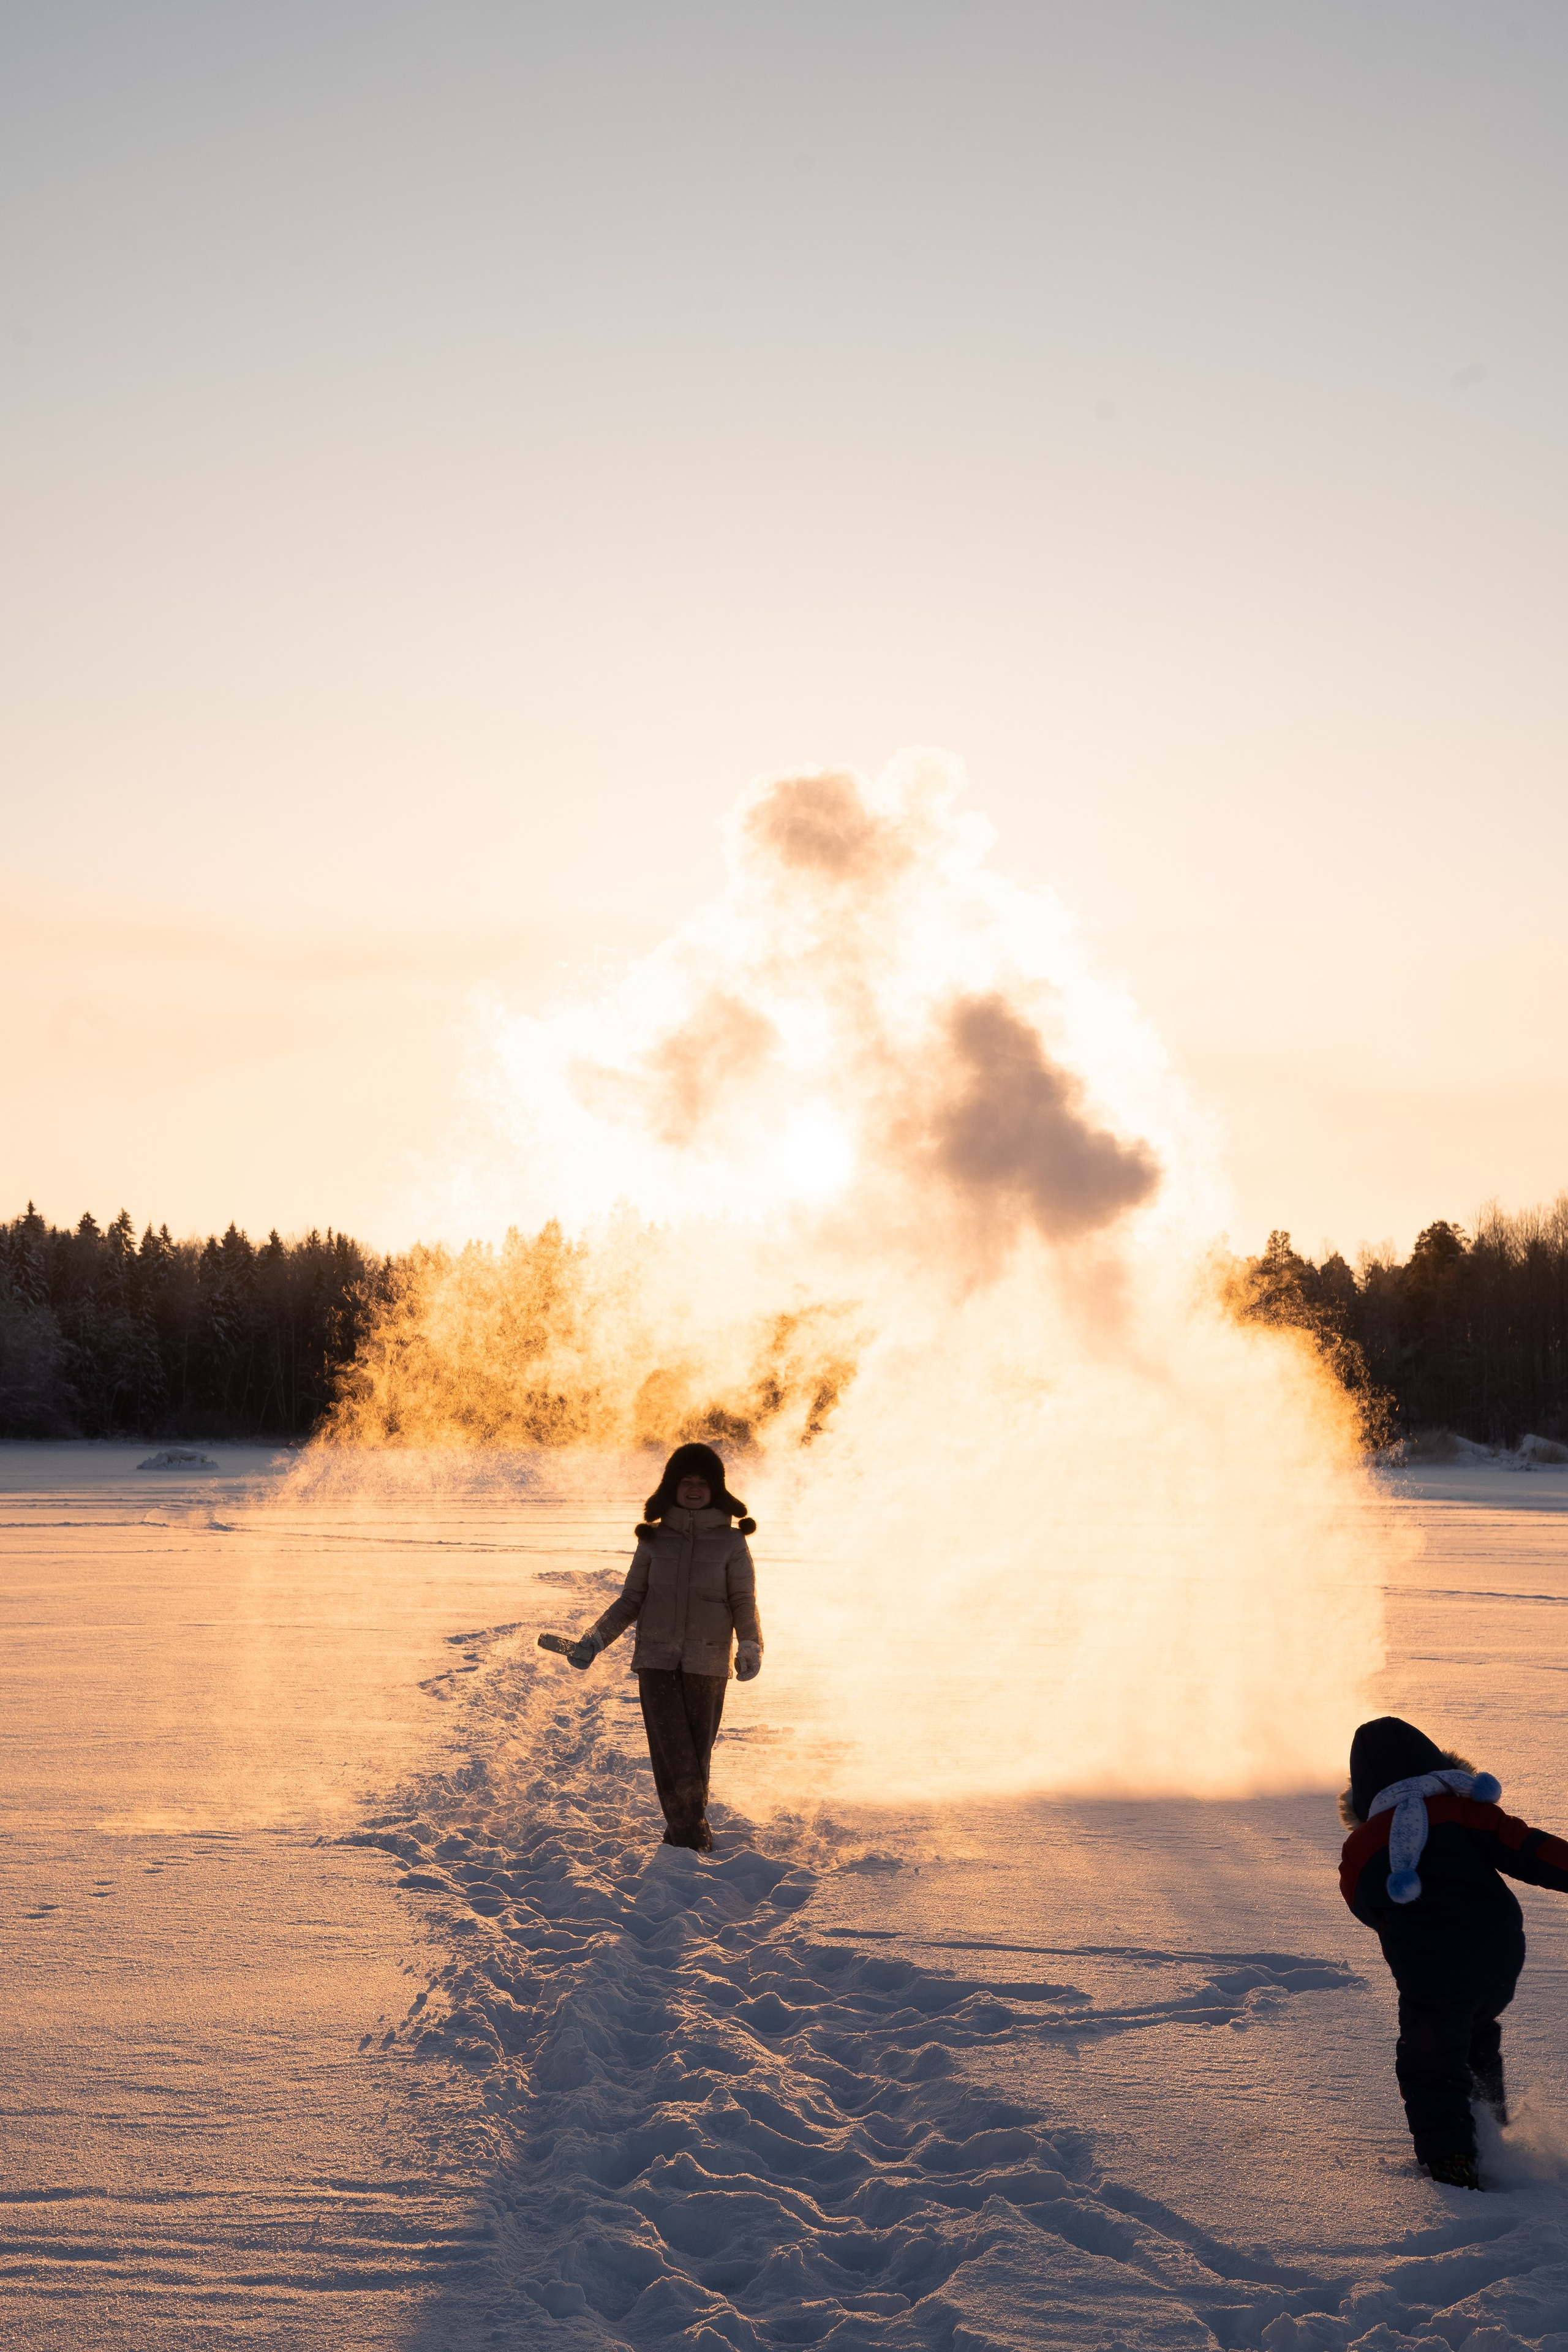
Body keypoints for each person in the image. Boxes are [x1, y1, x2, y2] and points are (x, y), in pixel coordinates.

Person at [1338, 1714, 1568, 2188]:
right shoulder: (1468, 1813)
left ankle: (1453, 2161)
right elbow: (1533, 1851)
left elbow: (1362, 1905)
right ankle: (1488, 2127)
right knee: (1475, 2033)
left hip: (1431, 1974)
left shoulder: (1363, 1845)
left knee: (1432, 2062)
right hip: (1498, 1961)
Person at [560, 1442, 762, 1854]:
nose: (693, 1488)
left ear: (715, 1490)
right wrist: (596, 1639)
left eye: (702, 1483)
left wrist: (751, 1644)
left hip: (707, 1660)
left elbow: (744, 1601)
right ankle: (690, 1835)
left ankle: (684, 1833)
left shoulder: (731, 1544)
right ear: (672, 1487)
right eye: (685, 1481)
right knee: (671, 1751)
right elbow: (631, 1599)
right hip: (656, 1660)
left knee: (695, 1752)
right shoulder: (654, 1541)